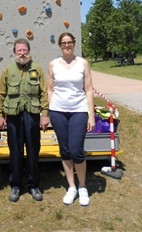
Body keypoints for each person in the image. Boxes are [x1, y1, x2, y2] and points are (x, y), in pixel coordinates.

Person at [0, 38, 49, 202]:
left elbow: (44, 92)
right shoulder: (8, 69)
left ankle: (34, 185)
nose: (22, 53)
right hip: (13, 116)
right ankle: (16, 185)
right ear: (14, 53)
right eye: (19, 50)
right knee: (15, 151)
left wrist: (45, 114)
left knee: (33, 150)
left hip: (31, 114)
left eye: (24, 50)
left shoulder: (37, 68)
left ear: (29, 51)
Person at [47, 33, 95, 207]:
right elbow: (50, 89)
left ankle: (82, 187)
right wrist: (51, 109)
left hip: (79, 111)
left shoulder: (83, 63)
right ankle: (72, 187)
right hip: (58, 112)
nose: (67, 45)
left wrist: (91, 115)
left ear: (74, 44)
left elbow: (88, 89)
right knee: (65, 151)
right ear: (60, 45)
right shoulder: (53, 64)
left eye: (69, 42)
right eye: (64, 43)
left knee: (77, 151)